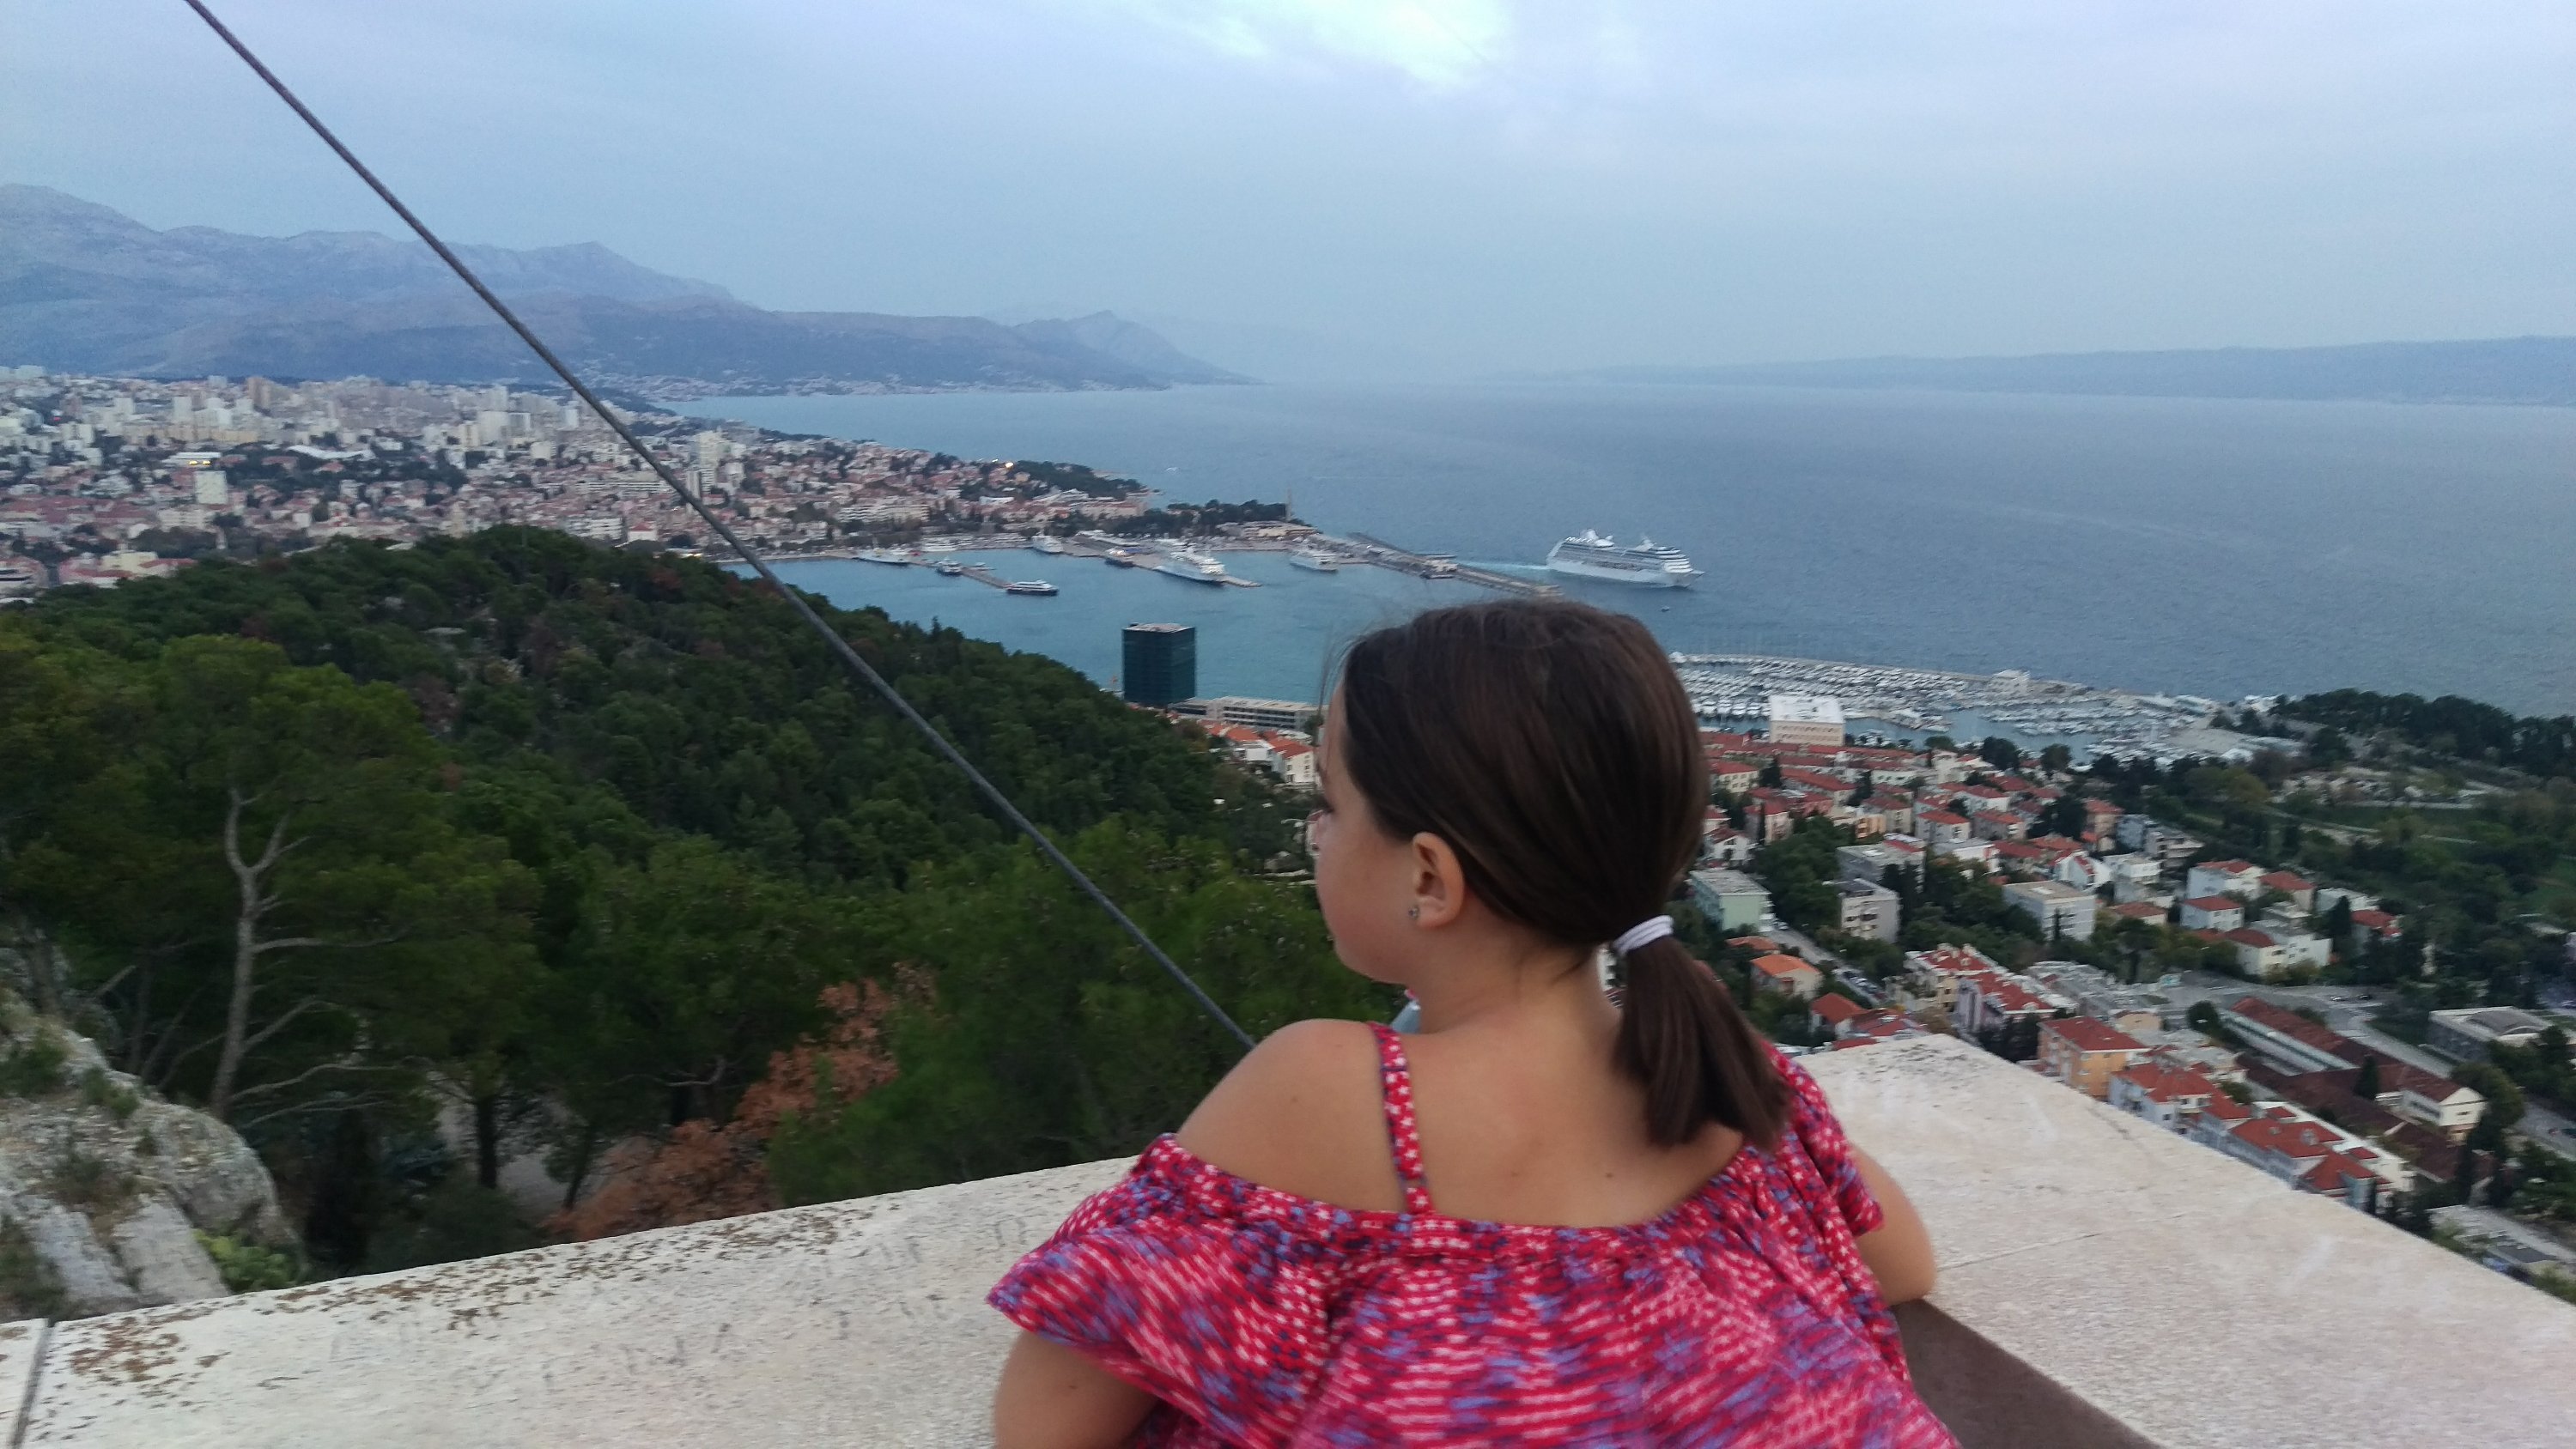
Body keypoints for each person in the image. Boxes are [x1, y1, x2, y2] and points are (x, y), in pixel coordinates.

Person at [989, 599, 1951, 1446]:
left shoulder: (1325, 1091)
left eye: (1330, 803)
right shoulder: (1719, 1066)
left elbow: (1044, 1422)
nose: (1317, 831)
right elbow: (1902, 1262)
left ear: (1429, 877)